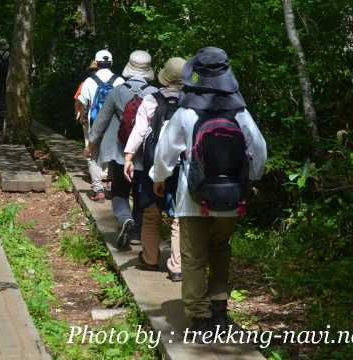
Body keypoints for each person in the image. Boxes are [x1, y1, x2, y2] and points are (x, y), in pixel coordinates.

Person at [150, 47, 267, 339]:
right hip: (231, 197)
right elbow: (260, 150)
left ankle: (199, 318)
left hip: (193, 198)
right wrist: (249, 178)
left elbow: (165, 152)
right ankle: (219, 310)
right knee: (220, 250)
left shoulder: (187, 111)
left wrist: (158, 178)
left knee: (193, 256)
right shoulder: (239, 111)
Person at [87, 50, 157, 248]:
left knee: (119, 191)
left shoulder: (117, 92)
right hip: (145, 155)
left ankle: (125, 217)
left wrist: (91, 144)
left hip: (120, 153)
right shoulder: (155, 94)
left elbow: (101, 121)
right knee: (141, 192)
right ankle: (136, 233)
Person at [124, 57, 186, 281]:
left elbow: (139, 131)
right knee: (179, 216)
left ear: (165, 77)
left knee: (151, 214)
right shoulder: (192, 102)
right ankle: (177, 266)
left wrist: (129, 156)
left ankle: (150, 258)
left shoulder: (152, 99)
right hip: (183, 166)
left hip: (153, 165)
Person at [77, 50, 124, 202]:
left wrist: (83, 119)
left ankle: (98, 190)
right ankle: (111, 185)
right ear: (111, 63)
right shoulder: (120, 81)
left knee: (93, 155)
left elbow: (82, 103)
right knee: (113, 155)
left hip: (95, 124)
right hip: (115, 125)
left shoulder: (90, 81)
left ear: (96, 63)